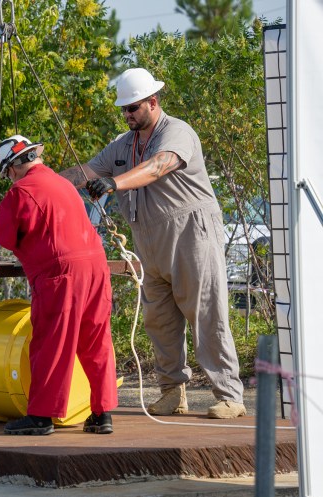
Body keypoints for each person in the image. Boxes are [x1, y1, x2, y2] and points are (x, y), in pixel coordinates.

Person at [59, 68, 245, 419]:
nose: (127, 114)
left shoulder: (177, 132)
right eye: (124, 109)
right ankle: (172, 392)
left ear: (152, 102)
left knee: (205, 311)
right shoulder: (122, 145)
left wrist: (115, 183)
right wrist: (44, 184)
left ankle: (229, 395)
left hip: (191, 233)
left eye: (132, 108)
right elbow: (87, 172)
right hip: (149, 240)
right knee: (159, 319)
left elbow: (159, 167)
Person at [0, 135, 118, 436]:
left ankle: (41, 416)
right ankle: (102, 415)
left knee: (52, 342)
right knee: (96, 339)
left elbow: (2, 234)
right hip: (97, 267)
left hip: (61, 274)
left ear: (13, 166)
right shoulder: (64, 184)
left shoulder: (22, 190)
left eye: (8, 172)